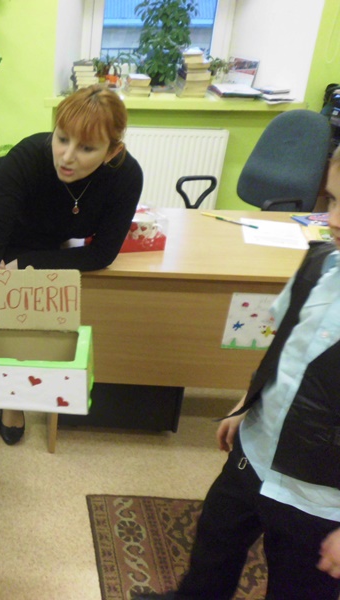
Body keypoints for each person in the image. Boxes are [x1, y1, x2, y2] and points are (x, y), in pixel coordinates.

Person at [134, 146, 340, 600]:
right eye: (331, 200)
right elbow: (283, 348)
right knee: (213, 546)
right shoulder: (320, 264)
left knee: (297, 588)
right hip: (255, 453)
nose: (334, 219)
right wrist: (248, 403)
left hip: (320, 502)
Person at [0, 85, 143, 445]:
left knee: (27, 310)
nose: (67, 157)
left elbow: (102, 253)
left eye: (86, 148)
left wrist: (28, 262)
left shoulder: (127, 177)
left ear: (112, 151)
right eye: (62, 138)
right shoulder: (28, 157)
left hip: (41, 239)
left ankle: (14, 400)